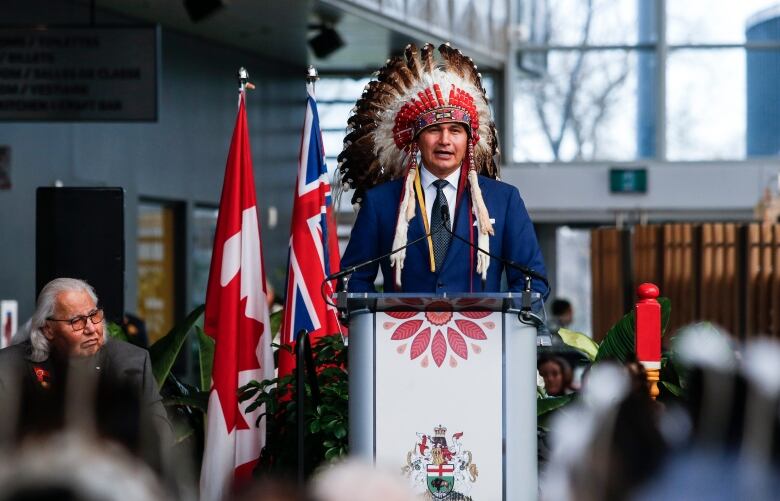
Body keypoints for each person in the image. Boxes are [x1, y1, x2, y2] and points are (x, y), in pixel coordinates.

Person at [339, 43, 548, 297]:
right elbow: (352, 282)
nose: (445, 140)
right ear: (416, 139)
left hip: (483, 335)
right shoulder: (381, 203)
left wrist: (510, 324)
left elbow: (532, 283)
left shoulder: (503, 201)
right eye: (434, 130)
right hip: (402, 335)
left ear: (469, 140)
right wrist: (378, 320)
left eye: (455, 131)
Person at [0, 278, 172, 464]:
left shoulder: (131, 362)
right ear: (48, 329)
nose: (91, 328)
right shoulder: (10, 367)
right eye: (77, 321)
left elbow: (160, 432)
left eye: (94, 315)